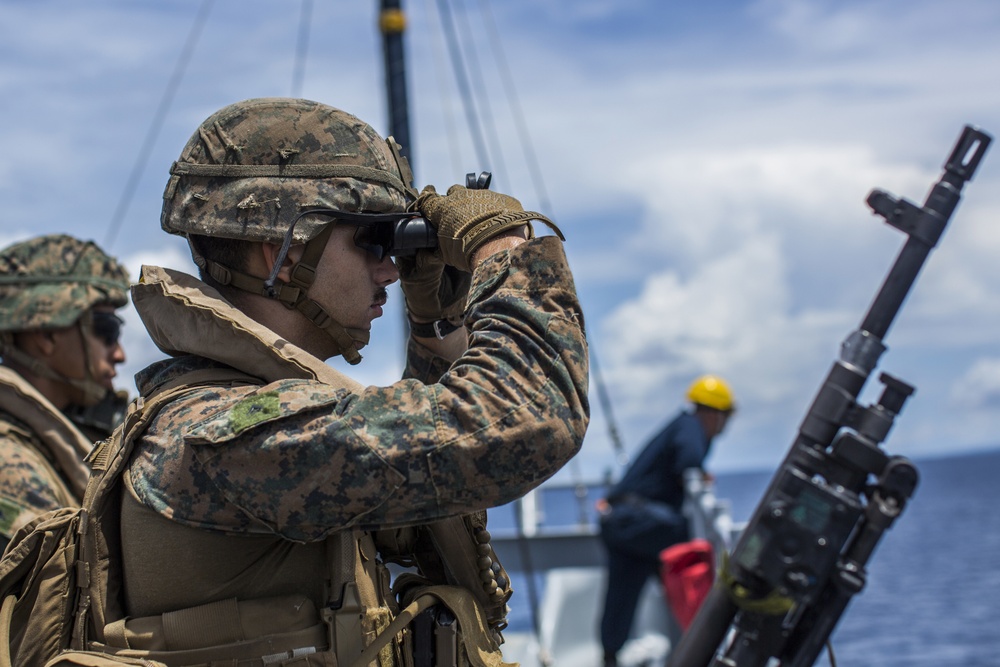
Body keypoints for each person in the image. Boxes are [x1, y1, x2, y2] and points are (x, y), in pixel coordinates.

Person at [58, 97, 588, 666]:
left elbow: (411, 453)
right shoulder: (220, 436)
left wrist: (436, 323)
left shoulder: (240, 418)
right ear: (283, 254)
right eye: (372, 241)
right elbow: (523, 421)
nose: (389, 269)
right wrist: (501, 247)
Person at [0, 233, 130, 552]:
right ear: (46, 334)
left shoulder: (53, 440)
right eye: (106, 331)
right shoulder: (10, 463)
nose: (119, 354)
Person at [597, 374, 735, 667]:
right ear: (712, 413)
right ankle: (709, 635)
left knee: (623, 592)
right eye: (724, 416)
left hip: (620, 520)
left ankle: (610, 656)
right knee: (694, 544)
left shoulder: (682, 424)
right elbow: (688, 460)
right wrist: (700, 473)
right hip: (636, 519)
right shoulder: (691, 426)